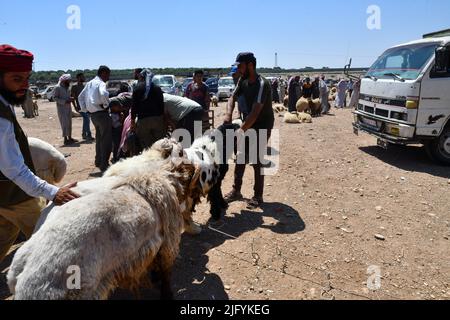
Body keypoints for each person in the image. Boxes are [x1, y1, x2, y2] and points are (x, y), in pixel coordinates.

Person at [0, 44, 79, 263]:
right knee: (56, 239)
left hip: (4, 198)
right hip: (17, 197)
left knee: (5, 234)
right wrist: (53, 193)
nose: (25, 86)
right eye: (17, 79)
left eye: (27, 78)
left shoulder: (5, 102)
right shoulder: (1, 118)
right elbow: (14, 170)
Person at [223, 52, 275, 210]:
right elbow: (232, 98)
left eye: (240, 65)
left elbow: (255, 112)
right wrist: (227, 116)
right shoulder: (242, 80)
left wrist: (240, 130)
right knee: (240, 157)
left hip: (261, 124)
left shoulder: (262, 84)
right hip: (247, 122)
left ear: (250, 65)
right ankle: (236, 191)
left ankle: (258, 196)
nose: (238, 68)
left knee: (256, 160)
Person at [78, 66, 112, 172]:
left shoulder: (90, 83)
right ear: (103, 73)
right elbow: (104, 94)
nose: (108, 77)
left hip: (93, 116)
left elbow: (80, 97)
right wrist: (106, 105)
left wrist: (85, 109)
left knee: (99, 139)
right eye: (108, 75)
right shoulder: (101, 83)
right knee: (106, 140)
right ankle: (104, 164)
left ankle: (98, 161)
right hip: (102, 114)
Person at [130, 69, 166, 150]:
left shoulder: (137, 88)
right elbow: (161, 106)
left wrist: (132, 121)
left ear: (141, 77)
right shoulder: (157, 89)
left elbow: (134, 107)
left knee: (146, 145)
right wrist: (162, 119)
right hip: (157, 119)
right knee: (159, 143)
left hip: (143, 120)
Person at [54, 74, 77, 145]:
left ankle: (70, 137)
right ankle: (65, 139)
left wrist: (70, 99)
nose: (70, 82)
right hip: (61, 108)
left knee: (69, 123)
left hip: (68, 108)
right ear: (65, 80)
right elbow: (55, 98)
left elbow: (68, 96)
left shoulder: (67, 87)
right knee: (64, 124)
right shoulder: (57, 87)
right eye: (69, 80)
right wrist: (64, 101)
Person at [109, 92, 133, 163]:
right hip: (116, 131)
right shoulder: (111, 115)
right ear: (113, 107)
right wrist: (121, 119)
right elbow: (116, 124)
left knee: (119, 143)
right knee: (116, 144)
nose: (120, 108)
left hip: (118, 130)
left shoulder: (117, 112)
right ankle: (116, 158)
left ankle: (119, 156)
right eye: (118, 107)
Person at [71, 73, 93, 141]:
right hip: (80, 107)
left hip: (86, 106)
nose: (84, 78)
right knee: (87, 119)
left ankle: (84, 134)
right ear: (78, 78)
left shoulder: (85, 86)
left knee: (86, 120)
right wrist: (75, 107)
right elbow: (73, 97)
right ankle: (88, 135)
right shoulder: (74, 86)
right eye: (82, 77)